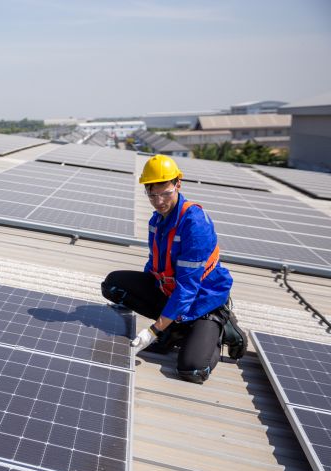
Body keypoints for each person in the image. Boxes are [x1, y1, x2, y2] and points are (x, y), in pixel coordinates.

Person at [101, 154, 244, 383]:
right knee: (113, 285)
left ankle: (220, 328)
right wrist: (144, 294)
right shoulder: (157, 221)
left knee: (192, 370)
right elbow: (155, 265)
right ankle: (176, 327)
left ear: (178, 184)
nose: (159, 201)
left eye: (165, 193)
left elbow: (188, 287)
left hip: (202, 301)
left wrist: (154, 330)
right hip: (171, 292)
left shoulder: (194, 223)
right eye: (152, 194)